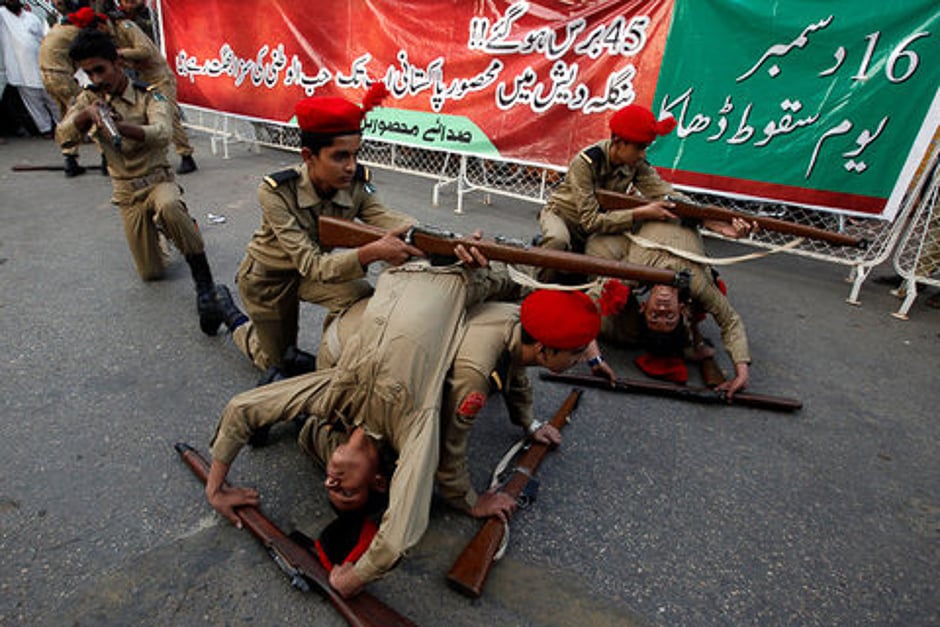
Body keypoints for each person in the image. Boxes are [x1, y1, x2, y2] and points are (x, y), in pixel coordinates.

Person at [204, 258, 604, 598]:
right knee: (291, 377)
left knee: (288, 385)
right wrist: (470, 502)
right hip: (348, 338)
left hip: (382, 306)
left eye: (334, 488)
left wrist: (216, 488)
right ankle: (276, 359)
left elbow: (242, 408)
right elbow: (441, 467)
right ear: (380, 481)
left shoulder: (518, 325)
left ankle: (241, 325)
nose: (332, 482)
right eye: (348, 490)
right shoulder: (423, 413)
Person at [314, 266, 613, 519]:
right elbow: (448, 445)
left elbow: (516, 371)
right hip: (343, 355)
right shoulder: (475, 370)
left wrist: (529, 424)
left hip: (368, 327)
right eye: (575, 354)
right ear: (544, 350)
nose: (578, 361)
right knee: (392, 452)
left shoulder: (518, 321)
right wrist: (471, 502)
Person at [215, 86, 418, 377]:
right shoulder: (276, 191)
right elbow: (311, 263)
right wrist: (371, 253)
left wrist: (435, 238)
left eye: (355, 155)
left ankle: (331, 360)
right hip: (269, 279)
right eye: (340, 157)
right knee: (277, 366)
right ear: (309, 156)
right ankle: (232, 317)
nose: (351, 167)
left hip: (313, 275)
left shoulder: (356, 183)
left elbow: (387, 218)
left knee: (359, 294)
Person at [56, 29, 225, 335]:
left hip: (158, 180)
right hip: (126, 191)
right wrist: (85, 118)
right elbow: (62, 135)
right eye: (88, 72)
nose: (96, 79)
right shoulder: (87, 100)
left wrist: (121, 127)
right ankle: (167, 232)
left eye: (100, 69)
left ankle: (205, 284)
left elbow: (162, 131)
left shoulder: (150, 94)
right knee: (151, 272)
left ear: (117, 64)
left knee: (171, 206)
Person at [536, 104, 691, 281]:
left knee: (612, 252)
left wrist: (705, 217)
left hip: (601, 223)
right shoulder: (586, 162)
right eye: (639, 148)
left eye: (645, 148)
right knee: (558, 241)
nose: (642, 154)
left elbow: (663, 192)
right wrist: (639, 214)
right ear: (618, 142)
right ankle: (533, 289)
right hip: (564, 216)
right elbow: (590, 221)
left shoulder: (635, 164)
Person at [98, 10, 196, 173]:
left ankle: (186, 155)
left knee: (169, 116)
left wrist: (120, 54)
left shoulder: (126, 27)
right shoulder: (112, 37)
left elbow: (145, 50)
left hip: (159, 77)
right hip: (143, 79)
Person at [39, 2, 93, 176]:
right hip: (61, 78)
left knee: (67, 117)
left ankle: (70, 157)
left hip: (48, 77)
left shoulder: (58, 27)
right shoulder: (75, 33)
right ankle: (107, 156)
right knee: (89, 110)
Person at [0, 0, 59, 138]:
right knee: (34, 104)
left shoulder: (31, 18)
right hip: (19, 69)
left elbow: (42, 38)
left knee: (53, 100)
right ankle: (46, 129)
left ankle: (62, 126)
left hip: (40, 65)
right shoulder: (2, 16)